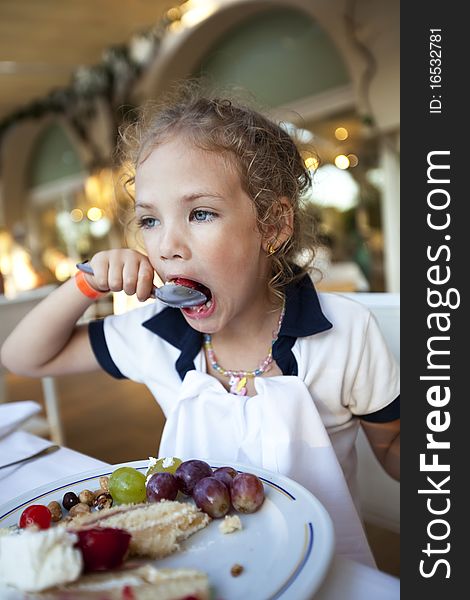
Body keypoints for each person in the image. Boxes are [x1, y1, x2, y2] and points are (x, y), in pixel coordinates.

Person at [1, 89, 399, 510]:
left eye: (200, 214)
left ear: (273, 226)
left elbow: (393, 448)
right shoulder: (154, 334)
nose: (167, 245)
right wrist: (88, 284)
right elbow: (23, 357)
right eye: (150, 220)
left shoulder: (345, 335)